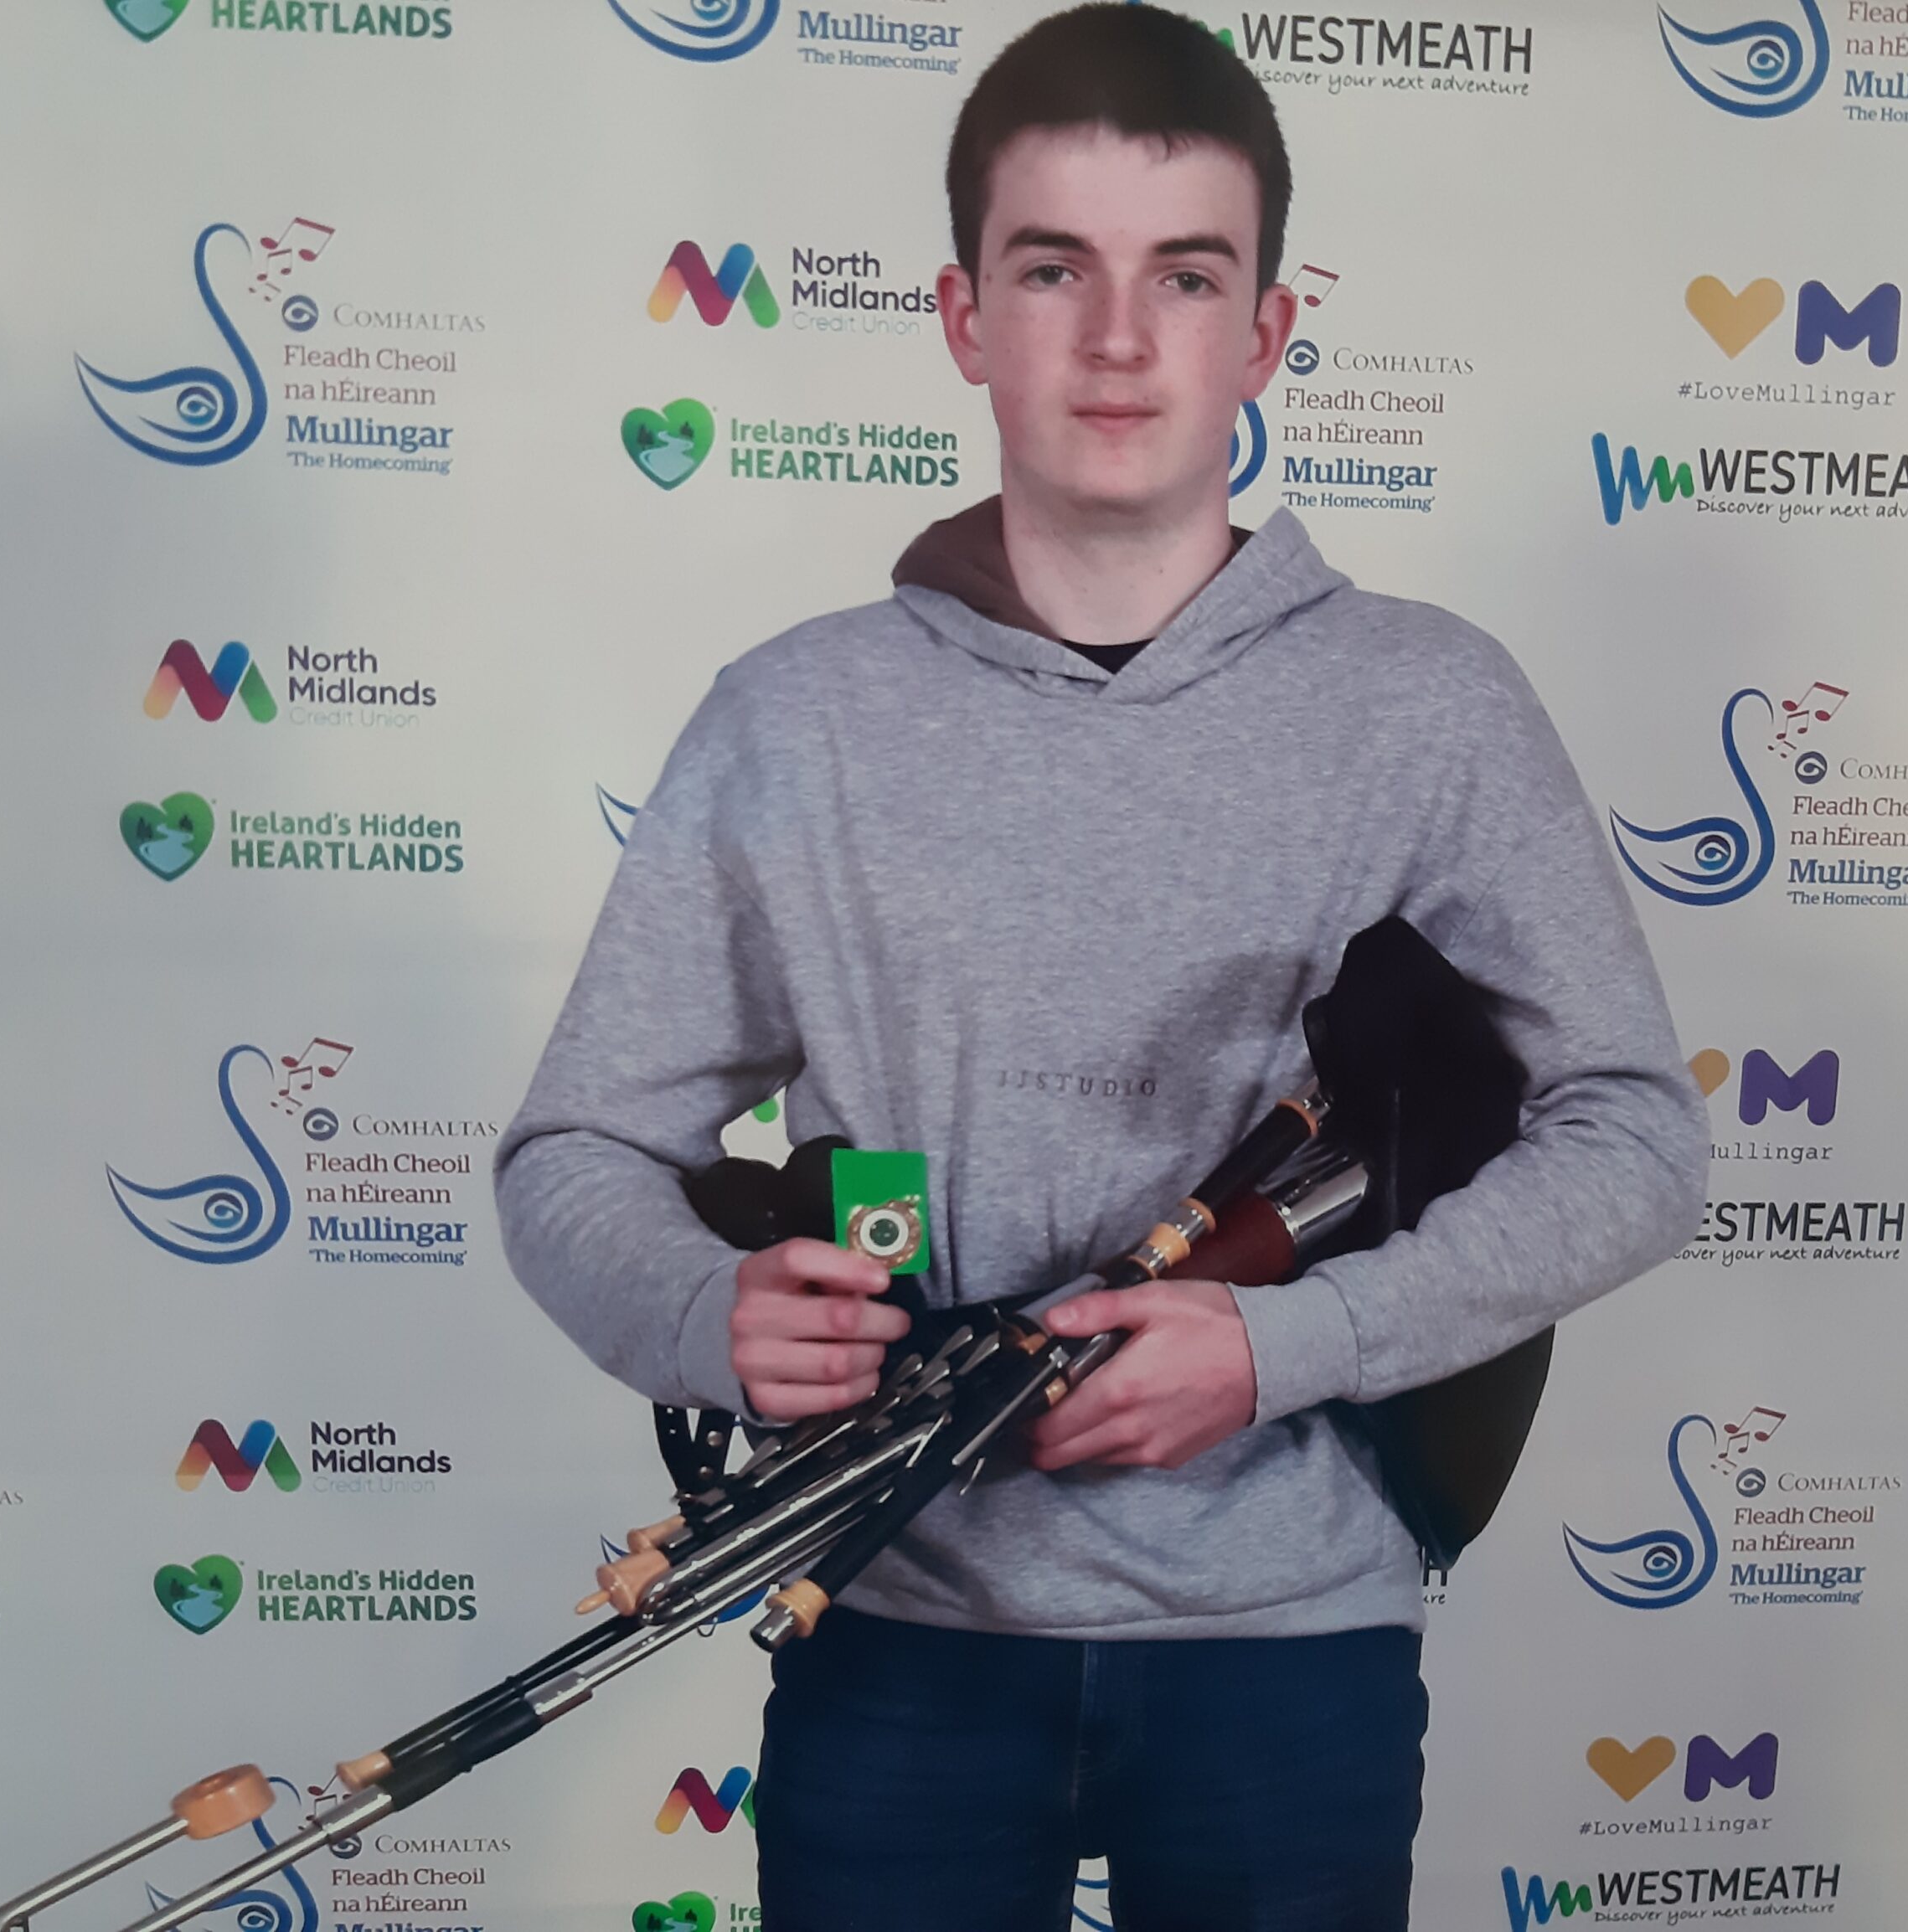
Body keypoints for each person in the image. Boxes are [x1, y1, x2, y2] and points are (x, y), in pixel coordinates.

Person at [495, 7, 1706, 1926]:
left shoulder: (1429, 708)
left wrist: (1286, 1345)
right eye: (1053, 268)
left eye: (1184, 275)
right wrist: (707, 1310)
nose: (1119, 338)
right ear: (964, 318)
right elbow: (572, 1153)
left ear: (1266, 331)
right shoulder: (794, 719)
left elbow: (1631, 1136)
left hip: (1288, 1648)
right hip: (887, 1622)